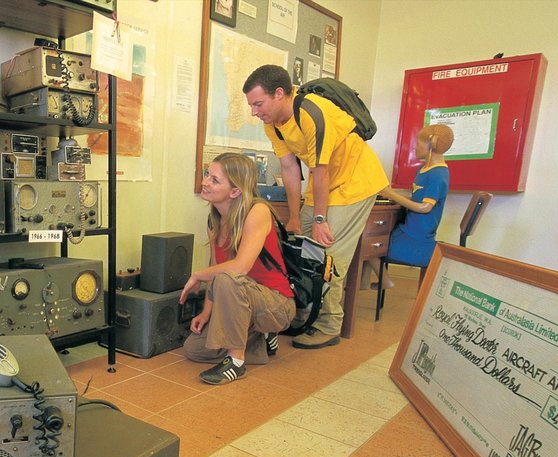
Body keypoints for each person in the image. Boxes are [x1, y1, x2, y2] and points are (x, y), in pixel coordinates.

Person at [242, 64, 389, 349]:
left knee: (328, 254)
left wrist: (320, 219)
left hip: (354, 183)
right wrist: (296, 217)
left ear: (280, 94)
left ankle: (328, 325)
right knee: (300, 246)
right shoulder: (272, 123)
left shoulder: (312, 112)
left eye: (258, 103)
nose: (254, 111)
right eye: (251, 105)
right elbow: (288, 167)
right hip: (322, 185)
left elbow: (320, 169)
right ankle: (304, 314)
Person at [180, 153, 296, 385]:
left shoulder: (258, 211)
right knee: (194, 349)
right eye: (207, 175)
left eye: (215, 179)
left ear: (235, 191)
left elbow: (239, 268)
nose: (205, 183)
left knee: (229, 277)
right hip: (243, 302)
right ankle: (260, 340)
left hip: (277, 303)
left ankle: (236, 361)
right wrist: (206, 312)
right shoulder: (215, 219)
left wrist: (196, 274)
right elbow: (216, 268)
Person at [363, 124, 454, 287]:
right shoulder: (424, 170)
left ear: (429, 146)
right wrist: (391, 194)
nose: (414, 148)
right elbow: (416, 197)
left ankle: (384, 282)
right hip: (407, 232)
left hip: (416, 240)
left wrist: (391, 194)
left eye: (417, 145)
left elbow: (425, 207)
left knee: (367, 244)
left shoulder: (438, 174)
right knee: (371, 237)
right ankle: (362, 285)